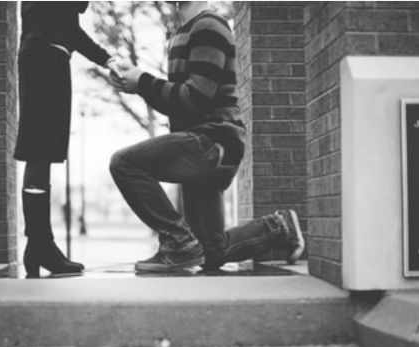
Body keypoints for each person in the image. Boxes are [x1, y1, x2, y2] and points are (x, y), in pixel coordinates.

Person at [110, 1, 305, 273]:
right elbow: (180, 102)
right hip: (199, 142)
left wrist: (142, 82)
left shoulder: (209, 26)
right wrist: (137, 83)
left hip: (213, 142)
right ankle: (279, 226)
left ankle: (178, 242)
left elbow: (196, 97)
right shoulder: (183, 32)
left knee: (124, 163)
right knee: (210, 252)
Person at [15, 1, 120, 278]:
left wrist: (107, 59)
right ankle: (39, 245)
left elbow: (68, 27)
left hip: (45, 57)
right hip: (45, 59)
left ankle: (38, 245)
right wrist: (106, 59)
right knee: (39, 152)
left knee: (42, 154)